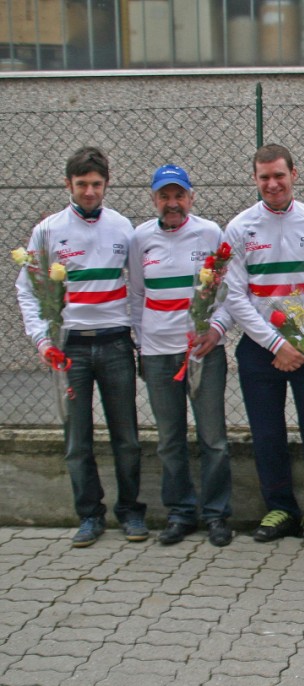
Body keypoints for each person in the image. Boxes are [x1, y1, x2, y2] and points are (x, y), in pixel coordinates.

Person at [15, 146, 145, 547]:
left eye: (97, 184)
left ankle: (130, 511)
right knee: (77, 438)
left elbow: (138, 289)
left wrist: (140, 339)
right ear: (68, 184)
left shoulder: (124, 227)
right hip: (69, 349)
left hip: (116, 344)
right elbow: (28, 291)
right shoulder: (48, 231)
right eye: (82, 184)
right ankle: (90, 515)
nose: (90, 192)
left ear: (107, 185)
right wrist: (42, 340)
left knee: (126, 435)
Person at [224, 144, 304, 544]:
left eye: (279, 175)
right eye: (264, 177)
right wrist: (276, 344)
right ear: (255, 179)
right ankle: (280, 508)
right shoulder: (238, 228)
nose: (272, 184)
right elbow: (235, 296)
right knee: (267, 431)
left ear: (294, 174)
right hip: (261, 347)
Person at [127, 164, 234, 547]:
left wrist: (216, 330)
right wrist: (142, 344)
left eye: (179, 195)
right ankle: (180, 513)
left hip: (204, 353)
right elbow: (137, 297)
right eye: (164, 196)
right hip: (158, 355)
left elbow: (227, 294)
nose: (172, 203)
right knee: (169, 439)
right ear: (153, 199)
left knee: (214, 439)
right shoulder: (140, 238)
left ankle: (218, 515)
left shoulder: (209, 234)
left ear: (191, 197)